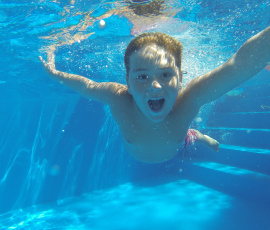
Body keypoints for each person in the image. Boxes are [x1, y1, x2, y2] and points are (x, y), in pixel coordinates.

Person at [40, 27, 270, 164]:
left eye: (166, 75)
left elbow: (238, 65)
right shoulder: (118, 97)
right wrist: (54, 73)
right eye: (142, 77)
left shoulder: (189, 99)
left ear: (181, 78)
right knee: (185, 133)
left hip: (178, 144)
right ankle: (195, 134)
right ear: (127, 82)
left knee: (190, 135)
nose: (156, 87)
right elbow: (86, 85)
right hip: (156, 147)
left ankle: (199, 135)